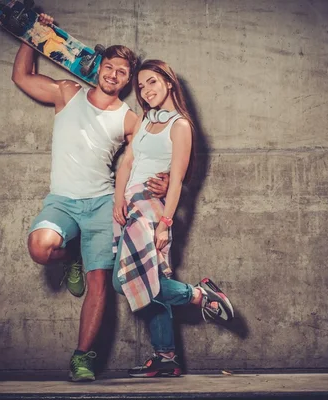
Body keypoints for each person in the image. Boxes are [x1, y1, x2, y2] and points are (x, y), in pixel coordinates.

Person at [11, 14, 168, 382]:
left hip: (101, 205)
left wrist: (164, 182)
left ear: (128, 81)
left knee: (100, 283)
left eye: (122, 72)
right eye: (109, 67)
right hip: (62, 201)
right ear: (99, 68)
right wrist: (35, 35)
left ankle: (82, 357)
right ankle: (72, 259)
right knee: (40, 248)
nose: (113, 75)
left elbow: (153, 153)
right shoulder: (68, 93)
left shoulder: (130, 119)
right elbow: (22, 77)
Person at [112, 59, 235, 378]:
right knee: (152, 280)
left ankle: (198, 295)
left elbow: (177, 180)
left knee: (125, 280)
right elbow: (127, 162)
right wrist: (117, 201)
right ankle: (166, 356)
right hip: (129, 207)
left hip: (152, 209)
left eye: (152, 82)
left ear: (168, 82)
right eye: (140, 86)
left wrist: (165, 223)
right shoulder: (145, 119)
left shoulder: (179, 125)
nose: (145, 90)